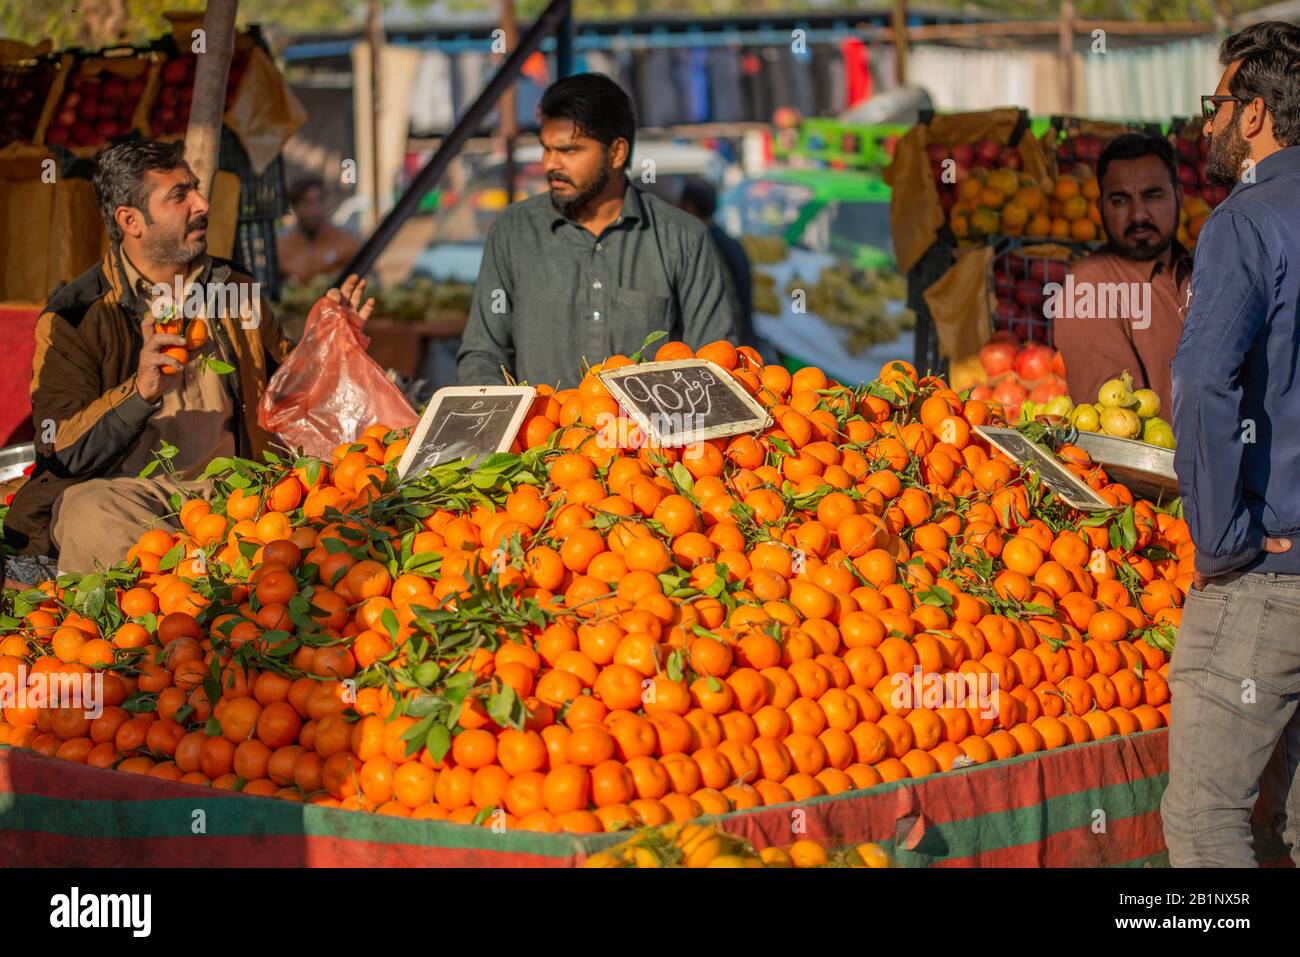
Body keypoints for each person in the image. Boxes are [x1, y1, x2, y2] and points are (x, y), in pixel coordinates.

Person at [2, 140, 373, 574]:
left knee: (347, 506)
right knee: (87, 513)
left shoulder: (234, 288)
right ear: (131, 220)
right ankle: (155, 627)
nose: (202, 202)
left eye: (195, 188)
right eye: (180, 195)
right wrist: (140, 392)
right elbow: (59, 447)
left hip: (238, 491)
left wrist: (333, 343)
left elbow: (292, 395)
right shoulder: (76, 314)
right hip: (135, 499)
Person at [1162, 20, 1300, 867]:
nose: (1207, 125)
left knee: (1205, 821)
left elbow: (1203, 382)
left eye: (1216, 106)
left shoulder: (1243, 224)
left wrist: (1221, 544)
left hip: (1271, 576)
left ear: (1252, 115)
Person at [457, 73, 734, 389]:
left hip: (647, 437)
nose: (550, 164)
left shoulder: (683, 237)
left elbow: (715, 362)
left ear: (616, 153)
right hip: (543, 437)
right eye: (546, 149)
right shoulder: (513, 232)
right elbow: (482, 354)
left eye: (569, 150)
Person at [1052, 133, 1192, 414]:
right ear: (1099, 207)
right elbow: (1120, 424)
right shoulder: (1087, 289)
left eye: (1153, 196)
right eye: (1120, 200)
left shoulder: (1202, 269)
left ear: (1178, 197)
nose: (1138, 215)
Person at [678, 176, 769, 359]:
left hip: (731, 350)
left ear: (690, 207)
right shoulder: (728, 241)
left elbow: (726, 303)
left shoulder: (704, 246)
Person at [277, 176, 362, 284]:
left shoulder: (348, 241)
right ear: (294, 207)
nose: (314, 210)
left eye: (319, 201)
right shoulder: (281, 246)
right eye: (306, 203)